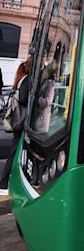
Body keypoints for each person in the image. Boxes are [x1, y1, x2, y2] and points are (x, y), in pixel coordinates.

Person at [0, 57, 30, 191]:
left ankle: (6, 179)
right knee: (15, 151)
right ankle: (4, 180)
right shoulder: (26, 80)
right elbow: (23, 98)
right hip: (21, 121)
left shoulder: (20, 79)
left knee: (15, 151)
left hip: (17, 120)